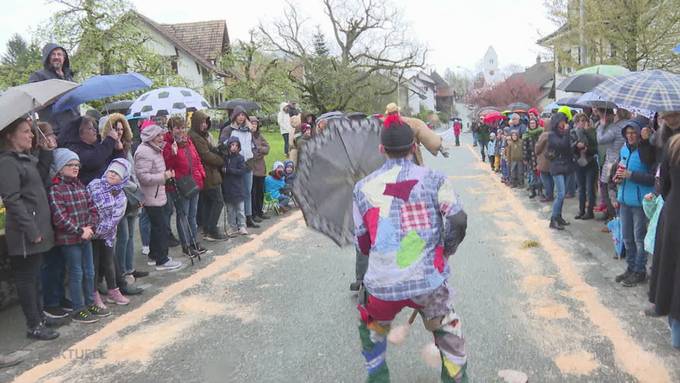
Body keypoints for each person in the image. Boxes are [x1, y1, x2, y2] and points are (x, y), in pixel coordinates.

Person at [353, 114, 468, 382]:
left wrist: (382, 255)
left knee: (370, 323)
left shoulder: (362, 187)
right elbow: (458, 218)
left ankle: (377, 375)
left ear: (381, 149)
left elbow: (361, 240)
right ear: (414, 147)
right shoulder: (435, 179)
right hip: (429, 284)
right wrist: (446, 249)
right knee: (449, 330)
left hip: (381, 286)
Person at [0, 117, 58, 340]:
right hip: (25, 233)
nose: (31, 135)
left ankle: (40, 317)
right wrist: (31, 229)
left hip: (36, 226)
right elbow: (12, 200)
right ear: (10, 136)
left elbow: (41, 178)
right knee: (26, 279)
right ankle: (33, 325)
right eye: (25, 132)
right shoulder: (7, 162)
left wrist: (46, 152)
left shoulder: (24, 159)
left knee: (35, 276)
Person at [48, 148, 104, 323]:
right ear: (60, 167)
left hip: (86, 236)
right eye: (70, 165)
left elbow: (92, 207)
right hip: (70, 240)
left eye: (77, 165)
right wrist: (81, 230)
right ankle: (78, 308)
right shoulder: (56, 189)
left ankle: (89, 303)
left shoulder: (79, 185)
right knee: (76, 273)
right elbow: (59, 217)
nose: (75, 168)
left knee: (89, 271)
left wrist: (91, 227)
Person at [648, 116, 680, 349]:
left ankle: (676, 334)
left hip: (675, 212)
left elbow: (665, 185)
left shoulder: (674, 145)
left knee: (671, 270)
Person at [614, 117, 656, 287]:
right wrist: (616, 178)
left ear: (640, 134)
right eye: (628, 133)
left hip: (639, 202)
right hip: (624, 199)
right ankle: (631, 268)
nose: (630, 136)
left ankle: (640, 270)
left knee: (639, 239)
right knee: (627, 238)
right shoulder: (624, 149)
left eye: (634, 133)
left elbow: (653, 179)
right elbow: (619, 170)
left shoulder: (647, 152)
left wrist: (631, 175)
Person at [134, 124, 182, 271]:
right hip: (151, 195)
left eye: (161, 135)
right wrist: (163, 176)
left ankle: (154, 255)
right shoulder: (144, 152)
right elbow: (143, 177)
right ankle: (162, 259)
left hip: (157, 193)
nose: (162, 138)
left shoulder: (154, 149)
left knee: (157, 227)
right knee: (160, 227)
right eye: (158, 136)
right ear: (151, 137)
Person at [163, 116, 207, 257]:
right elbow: (167, 165)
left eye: (182, 127)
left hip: (194, 182)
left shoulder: (188, 141)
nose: (180, 130)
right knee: (183, 215)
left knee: (193, 215)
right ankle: (186, 245)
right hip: (180, 184)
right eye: (177, 127)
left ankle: (194, 241)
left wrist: (201, 174)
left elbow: (197, 159)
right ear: (171, 129)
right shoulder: (167, 144)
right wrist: (174, 153)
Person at [219, 106, 260, 229]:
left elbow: (252, 144)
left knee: (247, 191)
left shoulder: (248, 130)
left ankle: (248, 217)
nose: (241, 117)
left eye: (243, 115)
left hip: (248, 164)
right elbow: (221, 145)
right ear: (235, 116)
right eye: (239, 115)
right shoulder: (228, 129)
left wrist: (254, 152)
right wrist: (230, 149)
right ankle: (235, 220)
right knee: (235, 192)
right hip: (234, 165)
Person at [189, 111, 226, 241]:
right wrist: (221, 160)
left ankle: (207, 228)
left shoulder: (200, 136)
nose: (205, 125)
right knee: (218, 201)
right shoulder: (195, 137)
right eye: (202, 123)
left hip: (209, 172)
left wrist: (218, 150)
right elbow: (206, 155)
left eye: (206, 123)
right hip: (208, 173)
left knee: (208, 202)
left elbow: (211, 148)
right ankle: (212, 229)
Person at [28, 44, 78, 135]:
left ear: (64, 58)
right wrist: (57, 96)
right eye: (53, 54)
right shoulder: (38, 76)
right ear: (47, 57)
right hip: (55, 129)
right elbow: (34, 100)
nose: (56, 57)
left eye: (59, 54)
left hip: (75, 126)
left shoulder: (69, 77)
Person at [61, 116, 125, 186]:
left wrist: (118, 151)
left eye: (94, 127)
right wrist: (110, 139)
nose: (95, 130)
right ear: (80, 133)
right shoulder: (74, 150)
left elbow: (116, 166)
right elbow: (94, 160)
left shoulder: (96, 145)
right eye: (90, 128)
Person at [596, 108, 626, 220]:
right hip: (624, 161)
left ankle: (613, 218)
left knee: (607, 188)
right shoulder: (631, 125)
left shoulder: (615, 127)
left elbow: (601, 139)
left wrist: (601, 126)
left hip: (611, 162)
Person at [547, 113, 574, 230]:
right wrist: (568, 133)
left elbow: (568, 148)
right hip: (556, 167)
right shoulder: (552, 135)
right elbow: (562, 145)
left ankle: (559, 217)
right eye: (562, 121)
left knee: (562, 195)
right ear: (557, 122)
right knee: (561, 194)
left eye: (565, 121)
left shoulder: (564, 133)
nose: (564, 123)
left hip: (566, 166)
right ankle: (553, 219)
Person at [572, 113, 599, 220]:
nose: (581, 123)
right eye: (579, 121)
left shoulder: (591, 132)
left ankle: (590, 211)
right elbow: (569, 148)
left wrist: (588, 149)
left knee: (589, 188)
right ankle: (581, 210)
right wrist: (576, 145)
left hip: (590, 162)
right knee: (581, 188)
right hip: (578, 163)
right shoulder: (573, 133)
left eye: (583, 120)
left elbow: (596, 148)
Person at [221, 136, 249, 236]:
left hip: (238, 188)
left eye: (236, 145)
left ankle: (242, 226)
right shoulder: (225, 158)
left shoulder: (240, 158)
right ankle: (232, 227)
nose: (234, 147)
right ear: (229, 146)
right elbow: (222, 169)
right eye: (232, 145)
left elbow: (242, 171)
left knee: (240, 210)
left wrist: (229, 170)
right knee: (230, 210)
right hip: (228, 188)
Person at [250, 116, 270, 222]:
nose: (254, 125)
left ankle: (259, 211)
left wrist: (259, 149)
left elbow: (267, 148)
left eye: (255, 123)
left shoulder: (259, 136)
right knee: (253, 192)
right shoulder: (247, 136)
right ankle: (253, 213)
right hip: (252, 168)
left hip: (261, 167)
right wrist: (257, 152)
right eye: (252, 123)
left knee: (260, 191)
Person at [523, 119, 543, 198]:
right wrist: (525, 158)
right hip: (531, 158)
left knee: (540, 176)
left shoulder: (540, 132)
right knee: (532, 175)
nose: (532, 124)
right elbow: (524, 147)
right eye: (531, 123)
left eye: (533, 123)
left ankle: (540, 191)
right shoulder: (526, 134)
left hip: (539, 157)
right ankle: (532, 191)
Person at [535, 120, 554, 202]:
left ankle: (548, 195)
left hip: (544, 160)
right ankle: (551, 194)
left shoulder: (544, 135)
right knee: (551, 178)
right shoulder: (555, 134)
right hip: (552, 159)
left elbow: (538, 148)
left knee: (545, 178)